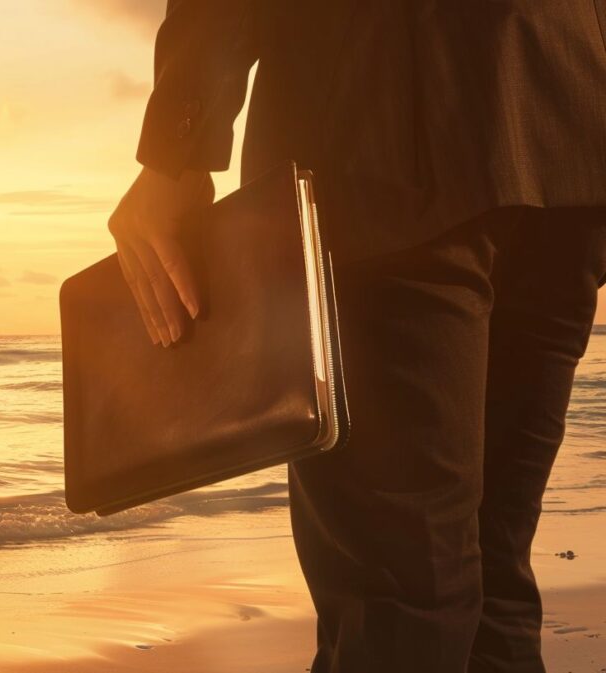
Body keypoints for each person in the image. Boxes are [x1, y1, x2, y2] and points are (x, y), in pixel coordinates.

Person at [108, 2, 606, 672]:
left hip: (376, 126)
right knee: (494, 591)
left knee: (403, 604)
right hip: (567, 124)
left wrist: (178, 148)